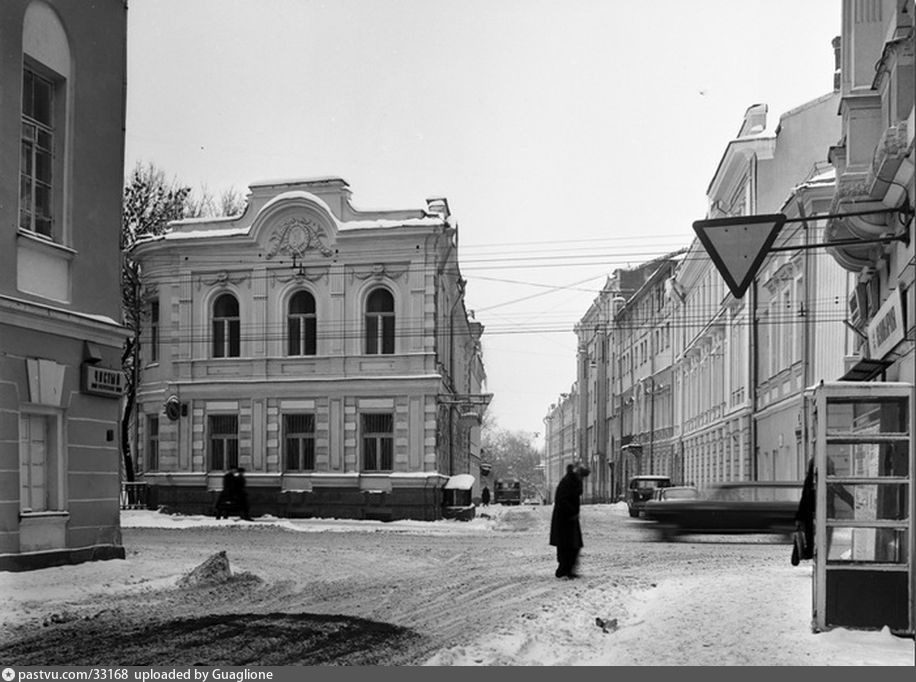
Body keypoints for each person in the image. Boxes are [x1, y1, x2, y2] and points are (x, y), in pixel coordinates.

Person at [549, 462, 590, 579]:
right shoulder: (569, 482)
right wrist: (572, 512)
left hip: (568, 518)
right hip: (565, 519)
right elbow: (563, 500)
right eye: (582, 477)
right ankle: (564, 570)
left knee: (571, 545)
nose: (583, 480)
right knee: (569, 545)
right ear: (578, 474)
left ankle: (566, 569)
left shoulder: (571, 481)